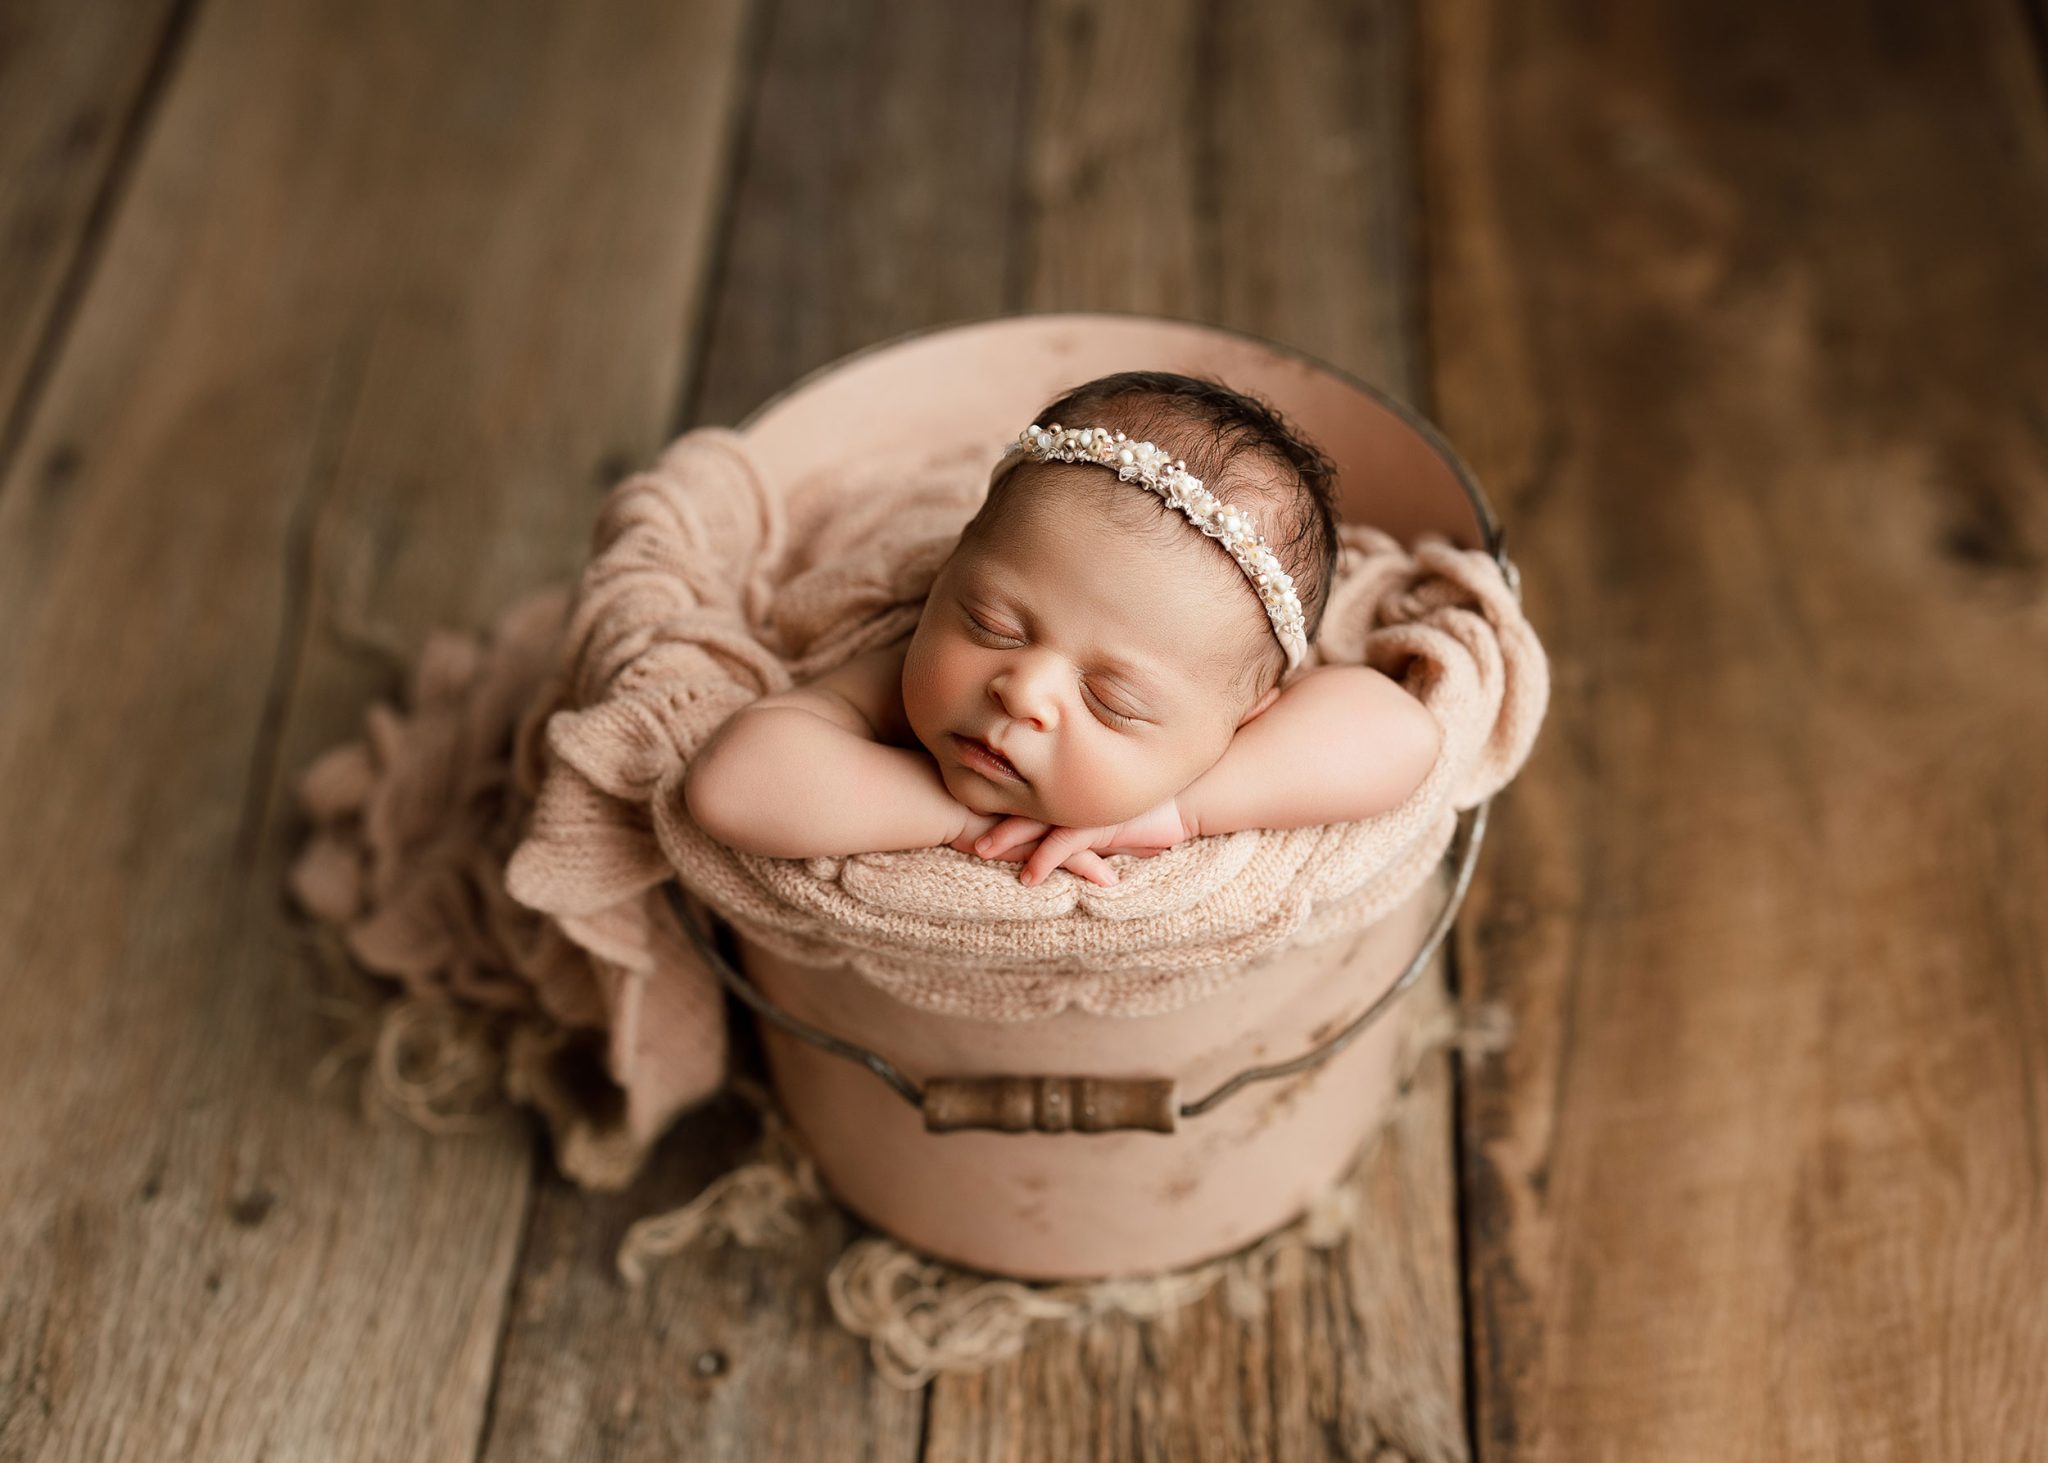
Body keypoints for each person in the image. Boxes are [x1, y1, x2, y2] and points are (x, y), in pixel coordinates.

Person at [684, 370, 1441, 889]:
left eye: (1112, 699)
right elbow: (734, 783)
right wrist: (953, 814)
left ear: (1240, 719)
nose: (1022, 690)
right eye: (993, 623)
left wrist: (1181, 809)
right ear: (949, 567)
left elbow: (1402, 732)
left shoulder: (1223, 743)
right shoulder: (905, 677)